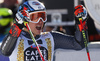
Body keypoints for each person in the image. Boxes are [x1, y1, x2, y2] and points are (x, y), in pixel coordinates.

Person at [0, 0, 88, 61]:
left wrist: (81, 22)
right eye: (35, 17)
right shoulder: (14, 38)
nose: (40, 21)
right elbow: (5, 52)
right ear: (24, 18)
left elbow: (79, 44)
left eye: (43, 16)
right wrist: (17, 26)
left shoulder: (50, 38)